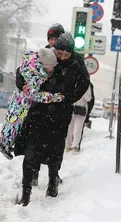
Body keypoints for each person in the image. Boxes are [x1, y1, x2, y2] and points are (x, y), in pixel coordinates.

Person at [13, 32, 90, 206]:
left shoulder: (77, 62)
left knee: (55, 152)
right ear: (54, 49)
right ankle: (26, 193)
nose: (62, 58)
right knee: (31, 151)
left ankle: (53, 181)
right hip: (38, 111)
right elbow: (23, 70)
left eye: (66, 55)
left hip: (60, 114)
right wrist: (22, 85)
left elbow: (84, 82)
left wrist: (70, 97)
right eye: (59, 53)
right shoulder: (45, 54)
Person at [0, 48, 64, 159]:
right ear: (44, 65)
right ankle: (5, 145)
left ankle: (6, 143)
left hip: (19, 100)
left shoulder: (33, 65)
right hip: (21, 104)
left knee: (12, 121)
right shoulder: (34, 76)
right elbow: (35, 95)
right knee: (14, 124)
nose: (53, 68)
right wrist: (54, 97)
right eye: (51, 66)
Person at [65, 85, 92, 152]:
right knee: (69, 129)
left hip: (81, 109)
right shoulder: (72, 82)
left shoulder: (87, 86)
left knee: (77, 129)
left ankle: (75, 146)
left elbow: (88, 98)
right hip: (71, 109)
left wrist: (83, 91)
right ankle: (68, 145)